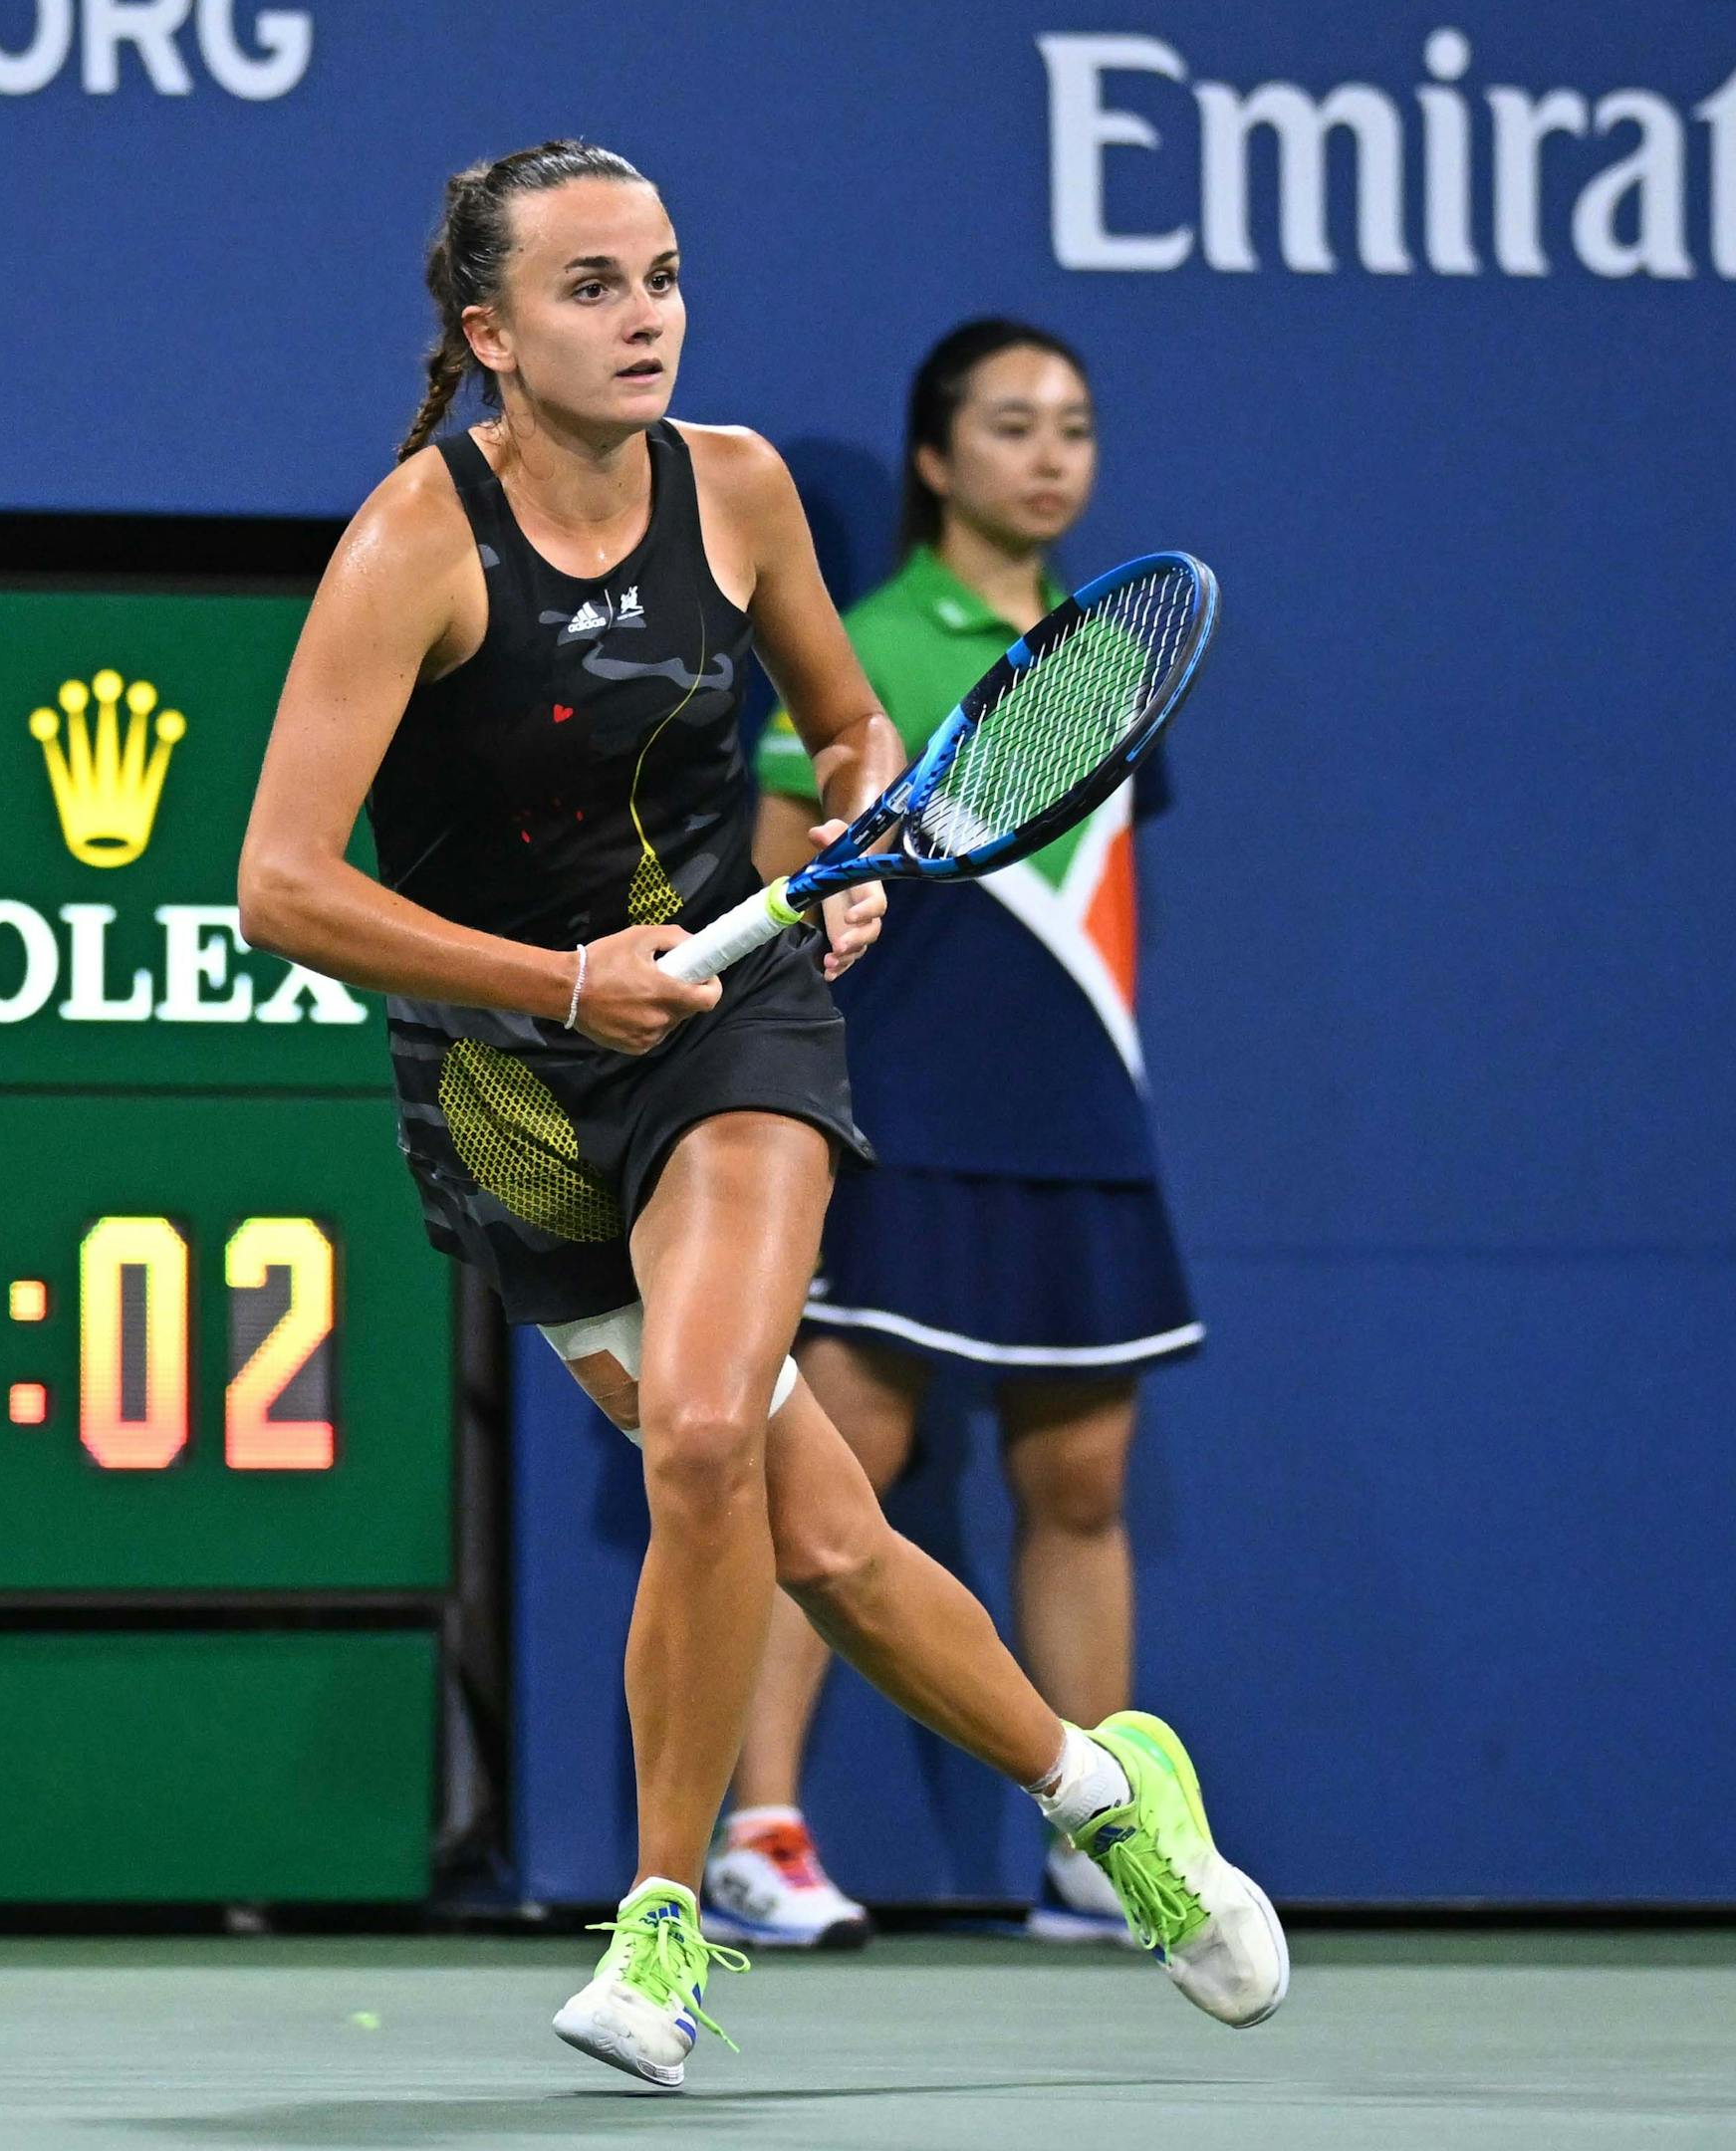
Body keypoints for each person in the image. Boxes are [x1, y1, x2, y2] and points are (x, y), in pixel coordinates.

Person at [235, 144, 1281, 2090]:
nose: (643, 318)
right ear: (489, 332)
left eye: (663, 279)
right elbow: (280, 884)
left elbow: (847, 726)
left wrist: (857, 829)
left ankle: (659, 1924)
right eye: (589, 289)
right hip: (516, 1087)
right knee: (821, 1533)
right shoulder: (411, 546)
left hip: (733, 1026)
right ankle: (1103, 1791)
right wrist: (556, 984)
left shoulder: (742, 492)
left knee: (710, 1433)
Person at [696, 320, 1202, 1957]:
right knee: (840, 1462)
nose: (1049, 455)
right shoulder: (866, 643)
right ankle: (758, 1832)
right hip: (906, 1102)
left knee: (1082, 1472)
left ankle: (1100, 1847)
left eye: (1072, 425)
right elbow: (778, 878)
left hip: (1076, 1101)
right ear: (936, 458)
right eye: (1009, 426)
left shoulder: (1109, 654)